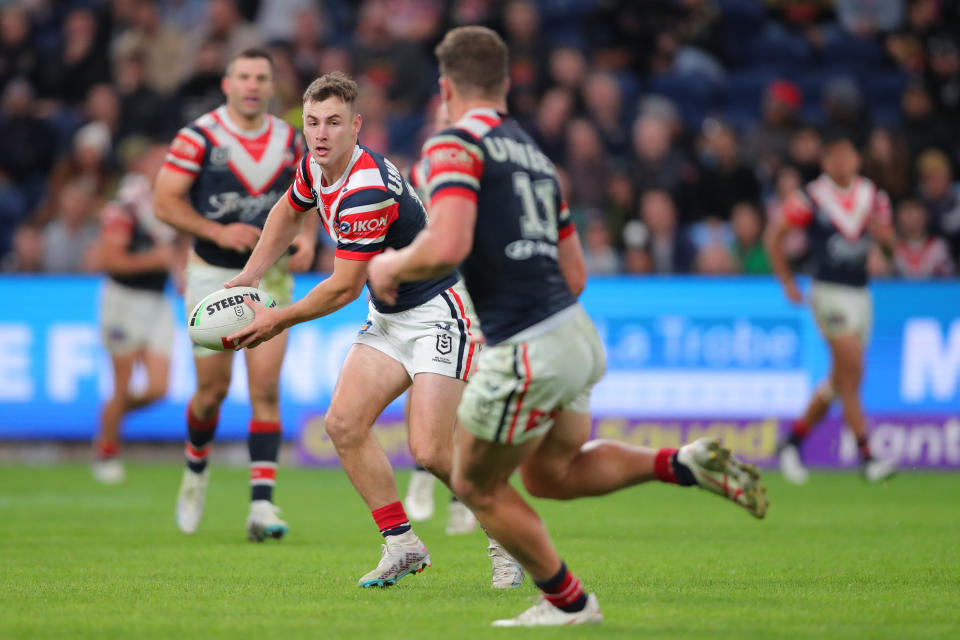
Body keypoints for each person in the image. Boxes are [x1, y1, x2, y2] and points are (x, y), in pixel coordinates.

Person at [368, 26, 768, 627]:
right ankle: (680, 463)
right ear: (504, 85)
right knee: (553, 474)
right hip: (575, 334)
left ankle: (570, 602)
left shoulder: (452, 146)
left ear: (446, 87)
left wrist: (391, 262)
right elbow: (575, 272)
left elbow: (447, 241)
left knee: (477, 486)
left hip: (527, 345)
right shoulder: (534, 155)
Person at [224, 71, 522, 588]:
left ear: (355, 125)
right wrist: (249, 275)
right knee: (342, 424)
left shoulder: (366, 190)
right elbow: (286, 212)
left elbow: (341, 288)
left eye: (333, 123)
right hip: (389, 318)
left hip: (439, 314)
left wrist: (275, 320)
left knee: (430, 450)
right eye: (312, 122)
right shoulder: (316, 168)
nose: (320, 134)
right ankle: (402, 544)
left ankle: (509, 541)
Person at [154, 48, 316, 541]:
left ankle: (261, 508)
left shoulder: (291, 139)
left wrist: (307, 235)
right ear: (227, 84)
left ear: (271, 86)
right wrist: (215, 230)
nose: (252, 84)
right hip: (213, 277)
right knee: (212, 393)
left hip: (270, 277)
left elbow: (308, 194)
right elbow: (164, 202)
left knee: (265, 390)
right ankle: (195, 471)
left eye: (261, 77)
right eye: (243, 75)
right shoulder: (199, 137)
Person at [768, 134, 899, 485]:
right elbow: (775, 236)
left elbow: (889, 249)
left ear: (857, 159)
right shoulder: (812, 197)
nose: (841, 163)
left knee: (841, 379)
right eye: (834, 157)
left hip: (862, 294)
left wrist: (885, 242)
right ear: (826, 162)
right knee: (852, 370)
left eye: (847, 155)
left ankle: (792, 442)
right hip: (828, 293)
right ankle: (868, 456)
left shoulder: (873, 197)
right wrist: (787, 281)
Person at [403, 101, 476, 536]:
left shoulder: (480, 172)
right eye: (441, 120)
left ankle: (458, 491)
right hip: (432, 288)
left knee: (468, 387)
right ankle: (421, 471)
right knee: (423, 378)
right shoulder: (416, 176)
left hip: (475, 285)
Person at [94, 143, 178, 484]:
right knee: (123, 380)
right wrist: (154, 261)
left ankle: (109, 419)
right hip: (124, 301)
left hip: (157, 302)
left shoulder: (170, 205)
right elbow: (109, 260)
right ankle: (108, 449)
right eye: (160, 161)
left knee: (159, 388)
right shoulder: (126, 207)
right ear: (144, 165)